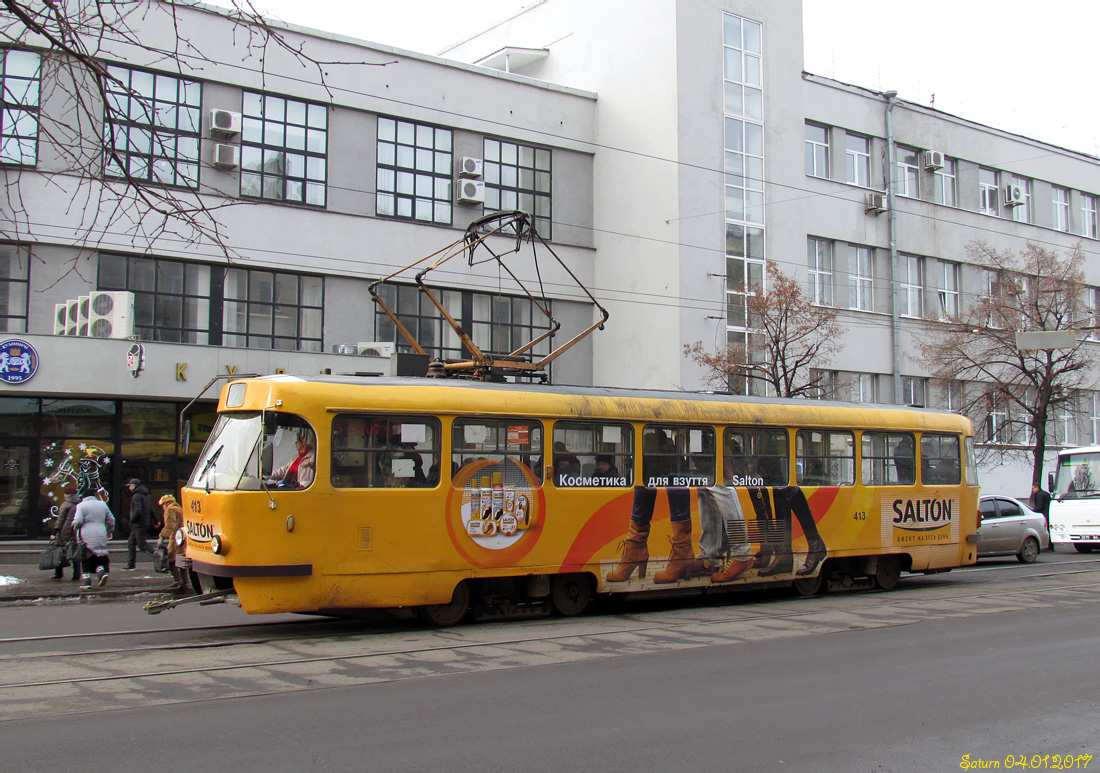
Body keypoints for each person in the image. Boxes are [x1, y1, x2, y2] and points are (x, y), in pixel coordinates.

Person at [72, 487, 115, 589]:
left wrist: (74, 525)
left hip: (86, 533)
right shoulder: (103, 505)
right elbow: (111, 520)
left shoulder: (81, 506)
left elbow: (78, 521)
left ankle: (87, 581)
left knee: (85, 556)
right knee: (98, 555)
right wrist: (109, 532)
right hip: (100, 532)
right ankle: (101, 572)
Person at [157, 493, 188, 591]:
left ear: (166, 503)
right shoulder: (181, 509)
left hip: (175, 539)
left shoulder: (170, 510)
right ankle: (185, 582)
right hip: (183, 538)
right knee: (182, 561)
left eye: (163, 505)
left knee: (171, 560)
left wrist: (162, 537)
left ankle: (177, 579)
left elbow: (170, 525)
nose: (163, 507)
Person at [51, 487, 82, 582]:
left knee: (60, 551)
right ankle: (76, 574)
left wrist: (55, 531)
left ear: (67, 495)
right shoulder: (80, 504)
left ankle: (58, 574)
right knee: (74, 551)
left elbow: (60, 520)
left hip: (65, 531)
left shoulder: (66, 505)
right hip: (75, 530)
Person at [124, 478, 154, 570]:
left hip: (138, 524)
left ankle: (158, 555)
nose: (129, 488)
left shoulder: (136, 496)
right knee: (131, 543)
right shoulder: (146, 495)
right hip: (144, 523)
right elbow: (151, 508)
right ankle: (131, 564)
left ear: (133, 486)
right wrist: (156, 520)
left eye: (130, 486)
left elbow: (138, 511)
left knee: (141, 544)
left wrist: (132, 520)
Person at [1031, 482, 1053, 551]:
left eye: (1033, 488)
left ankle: (1048, 546)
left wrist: (1033, 511)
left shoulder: (1039, 495)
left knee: (1045, 530)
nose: (1032, 490)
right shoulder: (1046, 494)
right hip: (1049, 513)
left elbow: (1039, 507)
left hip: (1043, 515)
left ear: (1037, 488)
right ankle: (1051, 546)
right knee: (1049, 530)